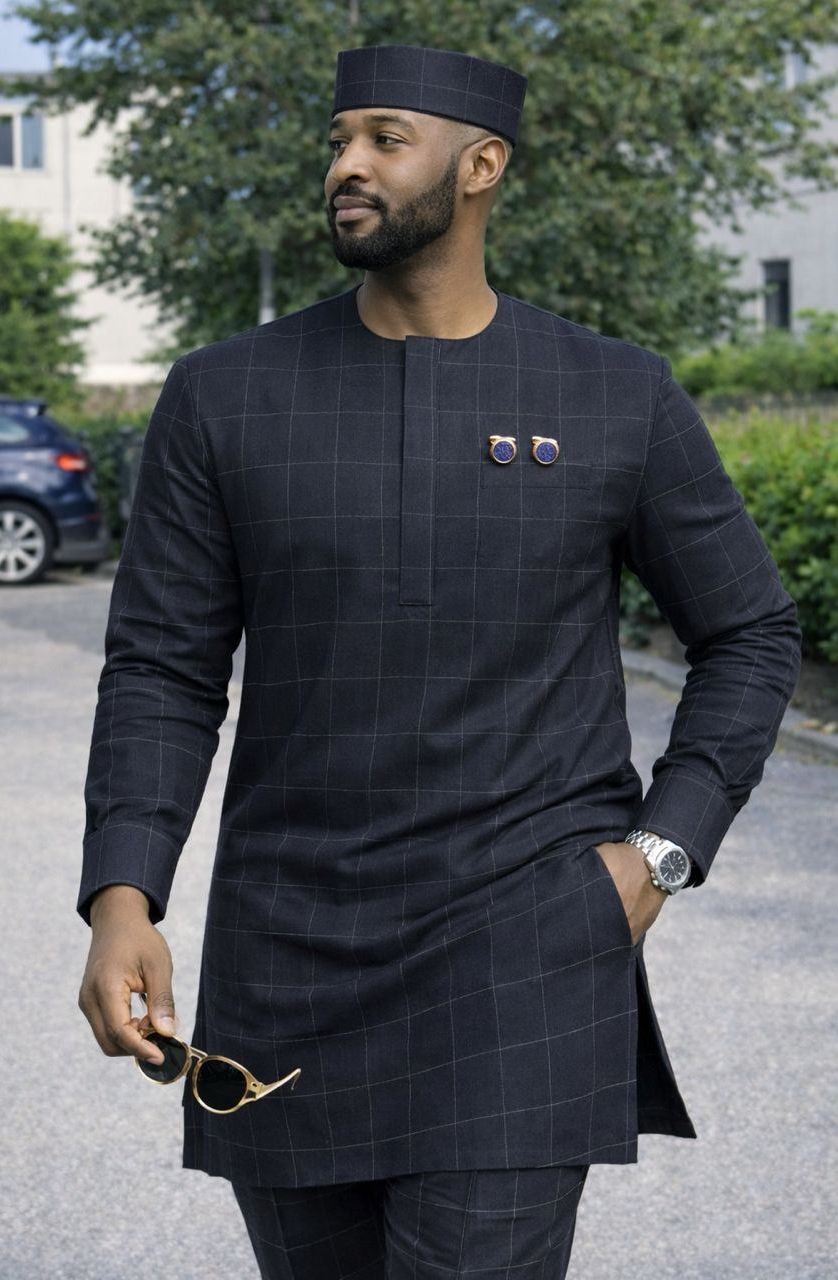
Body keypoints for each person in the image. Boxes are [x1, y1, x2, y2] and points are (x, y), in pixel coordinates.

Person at [77, 42, 802, 1279]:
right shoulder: (222, 397)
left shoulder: (615, 394)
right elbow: (161, 667)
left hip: (526, 952)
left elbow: (749, 631)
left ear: (481, 166)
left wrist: (659, 853)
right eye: (338, 140)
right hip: (286, 959)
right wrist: (121, 895)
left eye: (384, 138)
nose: (345, 166)